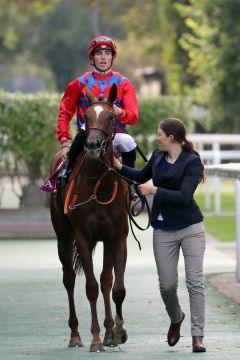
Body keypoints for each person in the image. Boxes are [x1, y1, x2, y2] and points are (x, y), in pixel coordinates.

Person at [114, 117, 207, 353]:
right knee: (167, 286)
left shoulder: (191, 162)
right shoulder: (156, 156)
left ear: (171, 137)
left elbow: (185, 196)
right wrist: (118, 167)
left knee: (195, 282)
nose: (157, 138)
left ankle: (198, 336)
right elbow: (140, 176)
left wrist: (154, 190)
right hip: (163, 230)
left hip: (191, 228)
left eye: (159, 134)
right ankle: (176, 318)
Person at [56, 35, 139, 198]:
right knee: (82, 133)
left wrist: (120, 112)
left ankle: (131, 183)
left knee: (128, 141)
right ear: (92, 57)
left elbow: (133, 117)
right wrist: (64, 142)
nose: (103, 57)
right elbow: (65, 113)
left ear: (112, 57)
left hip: (114, 136)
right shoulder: (78, 83)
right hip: (87, 135)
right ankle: (66, 171)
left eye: (107, 53)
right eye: (99, 53)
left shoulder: (123, 83)